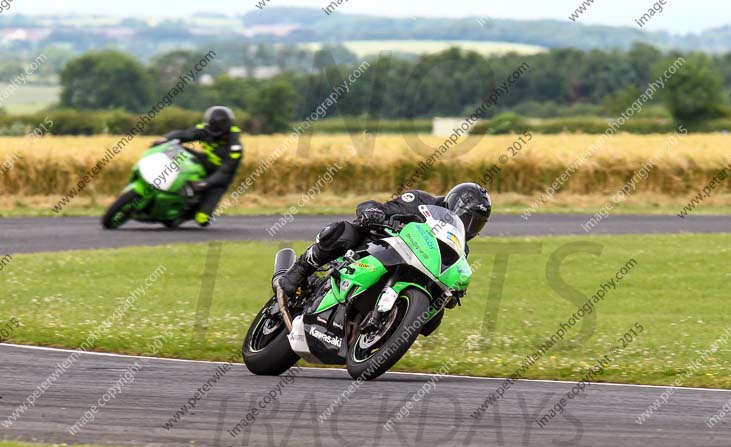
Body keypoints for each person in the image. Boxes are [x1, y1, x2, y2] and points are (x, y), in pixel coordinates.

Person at [275, 183, 492, 324]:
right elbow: (378, 207)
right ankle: (296, 273)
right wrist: (373, 213)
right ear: (452, 203)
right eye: (466, 217)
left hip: (414, 276)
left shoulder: (460, 247)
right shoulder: (419, 200)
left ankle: (383, 328)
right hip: (378, 247)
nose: (469, 226)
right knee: (344, 232)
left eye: (477, 224)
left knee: (435, 318)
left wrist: (453, 293)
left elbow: (450, 280)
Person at [152, 106, 243, 226]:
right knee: (175, 149)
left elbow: (226, 172)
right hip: (205, 162)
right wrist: (165, 139)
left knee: (202, 220)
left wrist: (205, 183)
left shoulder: (235, 147)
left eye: (219, 132)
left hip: (218, 180)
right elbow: (184, 134)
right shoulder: (206, 129)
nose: (215, 134)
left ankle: (186, 213)